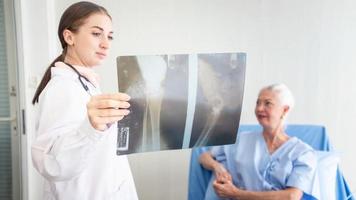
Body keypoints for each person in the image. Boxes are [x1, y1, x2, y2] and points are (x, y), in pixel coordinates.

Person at [31, 2, 138, 199]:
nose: (106, 43)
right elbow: (52, 163)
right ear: (69, 36)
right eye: (97, 34)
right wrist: (91, 128)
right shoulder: (62, 88)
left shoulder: (84, 84)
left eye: (110, 36)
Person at [199, 83, 318, 200]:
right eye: (258, 103)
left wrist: (236, 194)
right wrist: (217, 167)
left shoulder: (302, 153)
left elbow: (291, 196)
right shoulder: (242, 139)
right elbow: (204, 157)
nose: (259, 108)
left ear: (284, 110)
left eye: (268, 103)